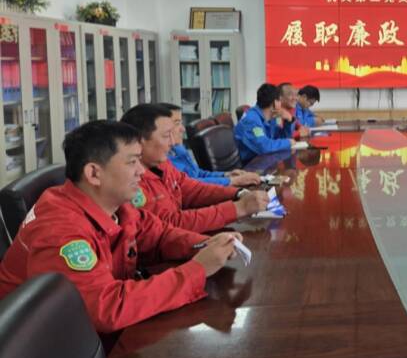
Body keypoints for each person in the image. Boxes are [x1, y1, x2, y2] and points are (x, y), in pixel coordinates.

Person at [0, 121, 242, 333]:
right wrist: (197, 270)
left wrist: (204, 244)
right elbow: (107, 309)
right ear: (94, 173)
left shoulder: (113, 204)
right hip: (47, 346)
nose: (142, 171)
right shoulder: (59, 231)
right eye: (132, 162)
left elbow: (158, 234)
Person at [121, 104, 268, 233]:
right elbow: (168, 225)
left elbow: (191, 189)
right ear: (140, 141)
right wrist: (237, 209)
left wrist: (237, 193)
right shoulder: (131, 182)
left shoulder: (161, 163)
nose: (172, 142)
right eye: (166, 136)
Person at [161, 103, 261, 187]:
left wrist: (226, 175)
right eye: (177, 123)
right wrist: (232, 181)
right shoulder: (162, 161)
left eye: (181, 123)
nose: (183, 129)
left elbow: (198, 173)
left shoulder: (178, 148)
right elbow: (191, 184)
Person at [235, 83, 298, 163]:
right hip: (248, 164)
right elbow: (264, 147)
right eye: (279, 101)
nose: (281, 104)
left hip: (262, 160)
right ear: (275, 103)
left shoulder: (271, 118)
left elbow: (280, 138)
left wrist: (289, 121)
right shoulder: (251, 120)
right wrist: (288, 142)